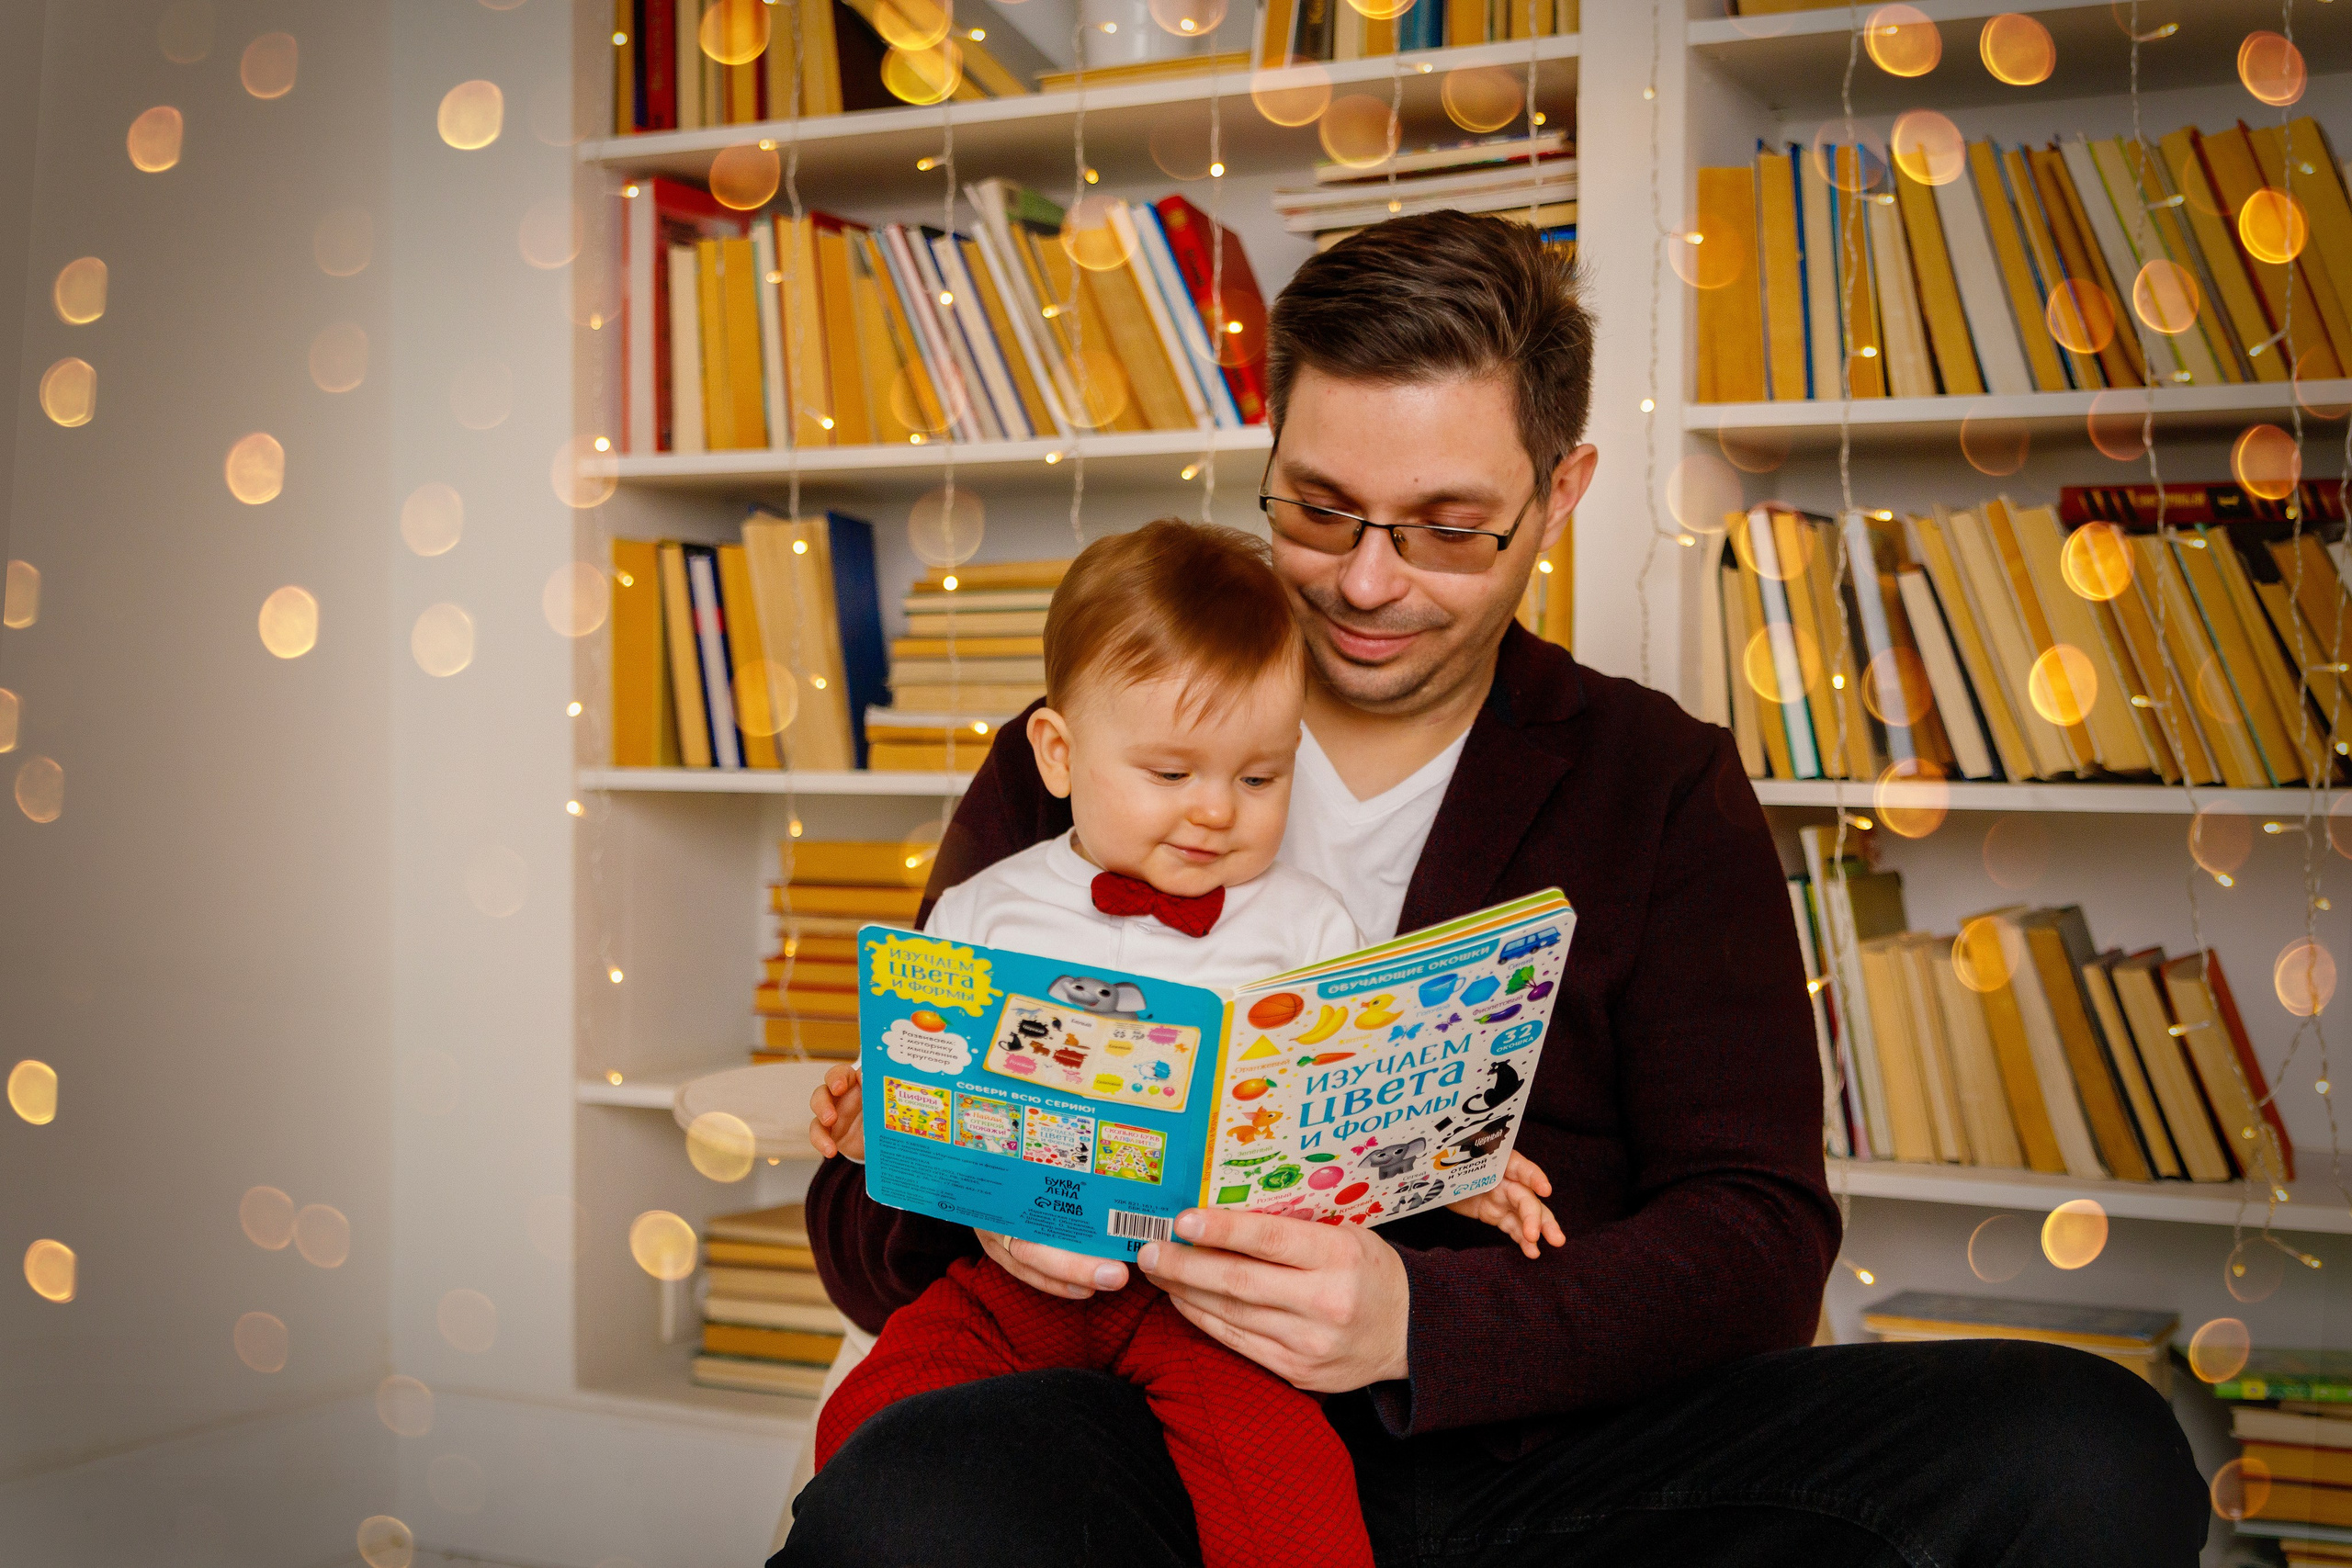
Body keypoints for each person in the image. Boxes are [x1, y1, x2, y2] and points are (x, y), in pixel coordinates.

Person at [782, 212, 2205, 1567]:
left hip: (1545, 1476)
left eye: (1447, 528)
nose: (1365, 581)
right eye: (1319, 508)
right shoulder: (1088, 749)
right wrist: (985, 1205)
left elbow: (1760, 1240)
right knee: (913, 1493)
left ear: (1561, 493)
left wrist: (1419, 1321)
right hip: (1150, 1435)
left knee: (2088, 1445)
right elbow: (867, 1208)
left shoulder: (1658, 781)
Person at [805, 519, 1566, 1568]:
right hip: (1008, 1286)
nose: (1215, 813)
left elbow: (1356, 1107)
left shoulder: (1310, 926)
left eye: (1258, 779)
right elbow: (923, 1100)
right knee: (866, 1433)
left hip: (1208, 1305)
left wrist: (1453, 1159)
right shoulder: (986, 910)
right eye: (1170, 775)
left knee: (1290, 1500)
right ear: (1059, 756)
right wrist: (863, 1125)